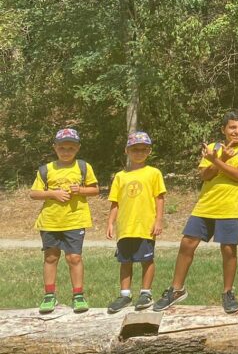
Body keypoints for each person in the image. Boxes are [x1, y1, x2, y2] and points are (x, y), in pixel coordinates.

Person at [154, 110, 238, 313]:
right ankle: (176, 289)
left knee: (228, 249)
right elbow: (204, 175)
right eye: (232, 127)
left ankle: (228, 292)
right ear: (223, 129)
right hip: (205, 205)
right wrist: (219, 158)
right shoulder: (212, 147)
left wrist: (217, 160)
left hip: (231, 207)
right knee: (187, 243)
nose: (236, 131)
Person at [30, 128, 100, 314]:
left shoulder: (83, 167)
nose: (66, 151)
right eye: (62, 147)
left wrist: (81, 190)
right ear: (55, 147)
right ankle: (49, 295)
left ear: (77, 148)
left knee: (74, 258)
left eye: (71, 148)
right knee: (51, 257)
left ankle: (78, 295)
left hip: (75, 220)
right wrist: (53, 194)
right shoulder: (46, 169)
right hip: (50, 221)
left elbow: (95, 190)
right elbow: (34, 193)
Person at [105, 131, 166, 314]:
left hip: (145, 226)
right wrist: (110, 223)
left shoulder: (153, 173)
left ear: (149, 151)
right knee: (125, 261)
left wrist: (158, 220)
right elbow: (115, 203)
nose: (139, 153)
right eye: (134, 149)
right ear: (127, 151)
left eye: (143, 149)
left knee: (147, 260)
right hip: (125, 227)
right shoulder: (120, 176)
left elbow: (159, 198)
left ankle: (146, 293)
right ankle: (125, 295)